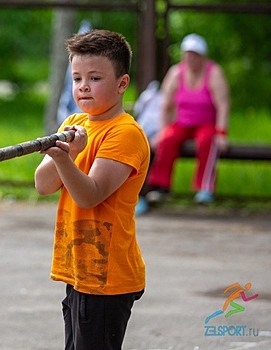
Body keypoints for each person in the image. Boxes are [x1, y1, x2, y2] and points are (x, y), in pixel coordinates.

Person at [34, 29, 149, 350]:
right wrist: (65, 153)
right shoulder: (75, 122)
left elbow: (90, 194)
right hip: (79, 268)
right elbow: (43, 185)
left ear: (122, 84)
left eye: (95, 78)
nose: (83, 86)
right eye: (77, 78)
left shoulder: (125, 133)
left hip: (108, 277)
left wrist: (67, 156)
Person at [145, 33, 230, 205]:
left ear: (202, 56)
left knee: (208, 140)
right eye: (188, 54)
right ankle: (161, 186)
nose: (191, 58)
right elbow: (165, 104)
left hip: (206, 123)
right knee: (167, 139)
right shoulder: (176, 73)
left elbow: (223, 105)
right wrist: (162, 130)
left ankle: (205, 188)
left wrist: (222, 132)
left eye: (195, 55)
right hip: (182, 123)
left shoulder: (214, 73)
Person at [133, 80, 163, 215]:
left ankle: (152, 191)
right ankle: (138, 195)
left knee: (150, 151)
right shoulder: (148, 97)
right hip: (145, 132)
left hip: (162, 133)